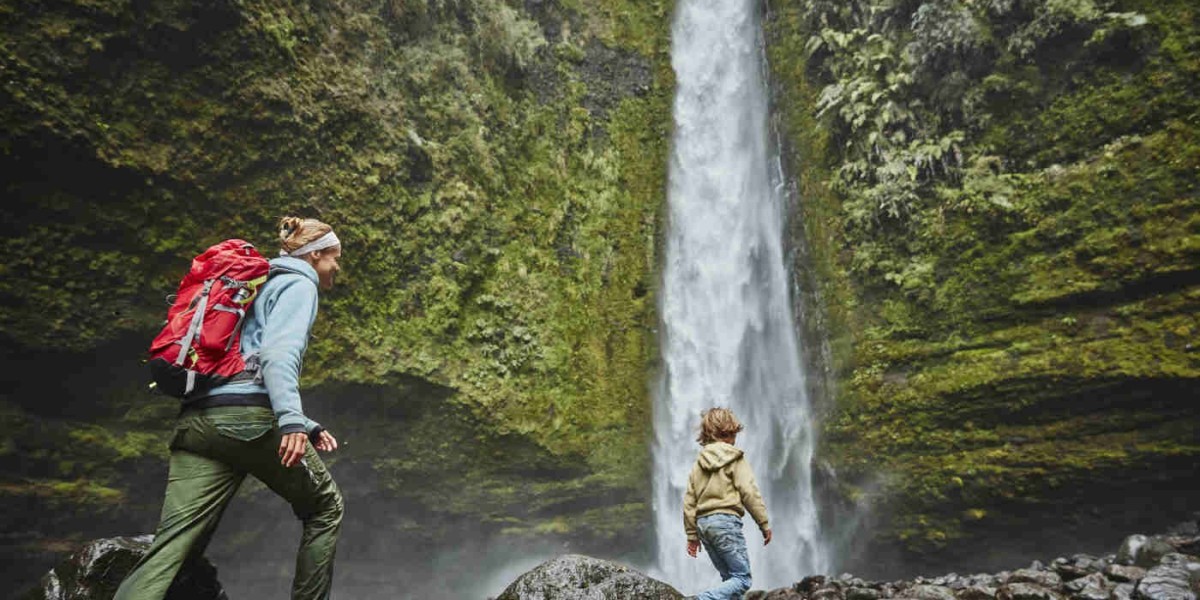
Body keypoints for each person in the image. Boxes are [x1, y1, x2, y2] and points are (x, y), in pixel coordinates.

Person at [115, 216, 345, 600]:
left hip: (198, 423)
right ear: (315, 254)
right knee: (325, 508)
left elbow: (235, 366)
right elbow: (276, 354)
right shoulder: (298, 283)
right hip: (248, 421)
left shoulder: (247, 288)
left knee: (170, 548)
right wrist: (291, 423)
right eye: (335, 258)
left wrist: (306, 423)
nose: (337, 266)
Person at [683, 407, 772, 600]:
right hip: (725, 523)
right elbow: (749, 491)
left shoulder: (698, 463)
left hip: (703, 526)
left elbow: (689, 501)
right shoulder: (735, 457)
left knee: (729, 579)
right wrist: (763, 523)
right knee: (742, 579)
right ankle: (702, 599)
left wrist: (691, 536)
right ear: (730, 432)